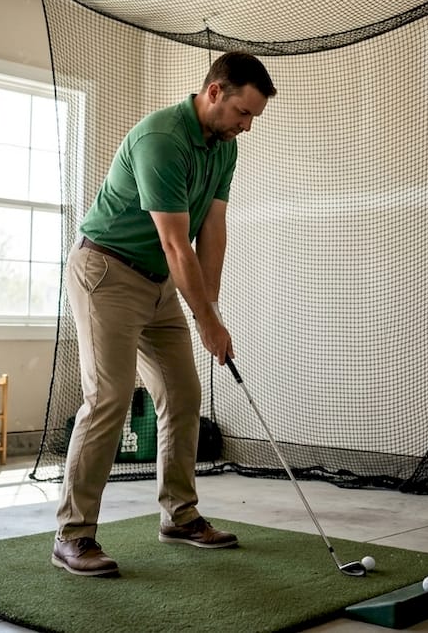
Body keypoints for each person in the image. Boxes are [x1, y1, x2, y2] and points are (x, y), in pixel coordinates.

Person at [52, 52, 276, 576]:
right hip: (105, 270)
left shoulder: (224, 148)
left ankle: (179, 515)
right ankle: (73, 534)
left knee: (181, 392)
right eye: (243, 113)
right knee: (108, 397)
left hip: (158, 282)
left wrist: (211, 308)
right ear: (215, 92)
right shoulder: (162, 139)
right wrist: (206, 322)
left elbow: (211, 231)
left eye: (254, 119)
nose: (247, 126)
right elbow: (177, 245)